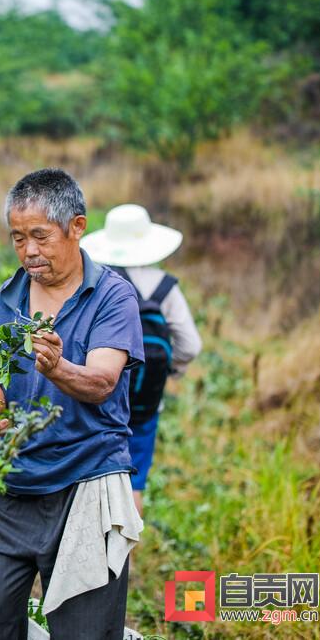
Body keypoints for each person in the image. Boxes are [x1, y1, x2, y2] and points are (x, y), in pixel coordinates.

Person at [0, 168, 144, 640]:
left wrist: (58, 369)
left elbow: (104, 381)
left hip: (85, 482)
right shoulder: (11, 295)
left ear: (77, 227)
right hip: (12, 485)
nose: (29, 251)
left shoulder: (112, 296)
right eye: (18, 237)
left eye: (40, 236)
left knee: (84, 629)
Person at [80, 203, 202, 515]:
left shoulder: (99, 283)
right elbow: (190, 344)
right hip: (147, 402)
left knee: (91, 473)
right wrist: (169, 371)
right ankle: (127, 556)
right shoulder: (165, 288)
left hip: (100, 396)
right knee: (133, 480)